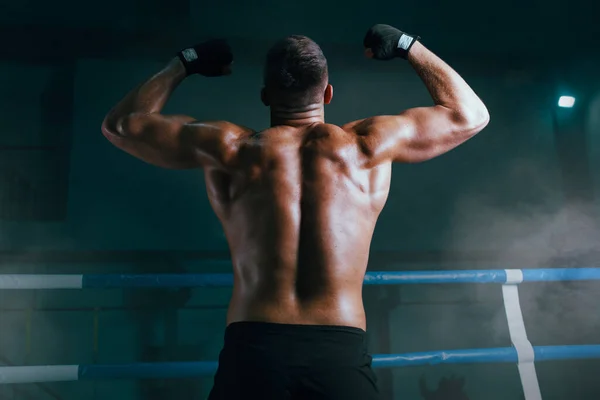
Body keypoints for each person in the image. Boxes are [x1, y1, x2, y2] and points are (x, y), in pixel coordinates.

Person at [102, 24, 489, 399]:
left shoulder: (229, 149)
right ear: (328, 93)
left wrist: (185, 62)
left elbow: (120, 125)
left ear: (265, 94)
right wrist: (408, 45)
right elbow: (470, 114)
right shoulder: (366, 147)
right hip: (338, 351)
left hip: (254, 349)